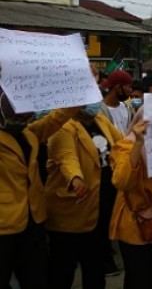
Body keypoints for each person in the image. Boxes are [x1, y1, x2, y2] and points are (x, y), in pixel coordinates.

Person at [44, 103, 138, 288]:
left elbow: (122, 144)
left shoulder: (100, 119)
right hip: (71, 212)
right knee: (63, 270)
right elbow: (66, 157)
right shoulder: (61, 124)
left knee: (95, 270)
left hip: (100, 208)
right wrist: (76, 178)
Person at [0, 87, 80, 289]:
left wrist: (81, 88)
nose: (24, 116)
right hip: (4, 225)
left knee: (36, 279)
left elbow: (57, 118)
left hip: (33, 221)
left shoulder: (30, 133)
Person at [109, 115, 152, 289]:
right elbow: (121, 181)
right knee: (138, 279)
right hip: (135, 225)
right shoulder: (125, 145)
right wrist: (139, 143)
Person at [100, 70, 134, 134]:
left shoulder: (128, 107)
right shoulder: (99, 111)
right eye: (129, 87)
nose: (131, 90)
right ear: (118, 88)